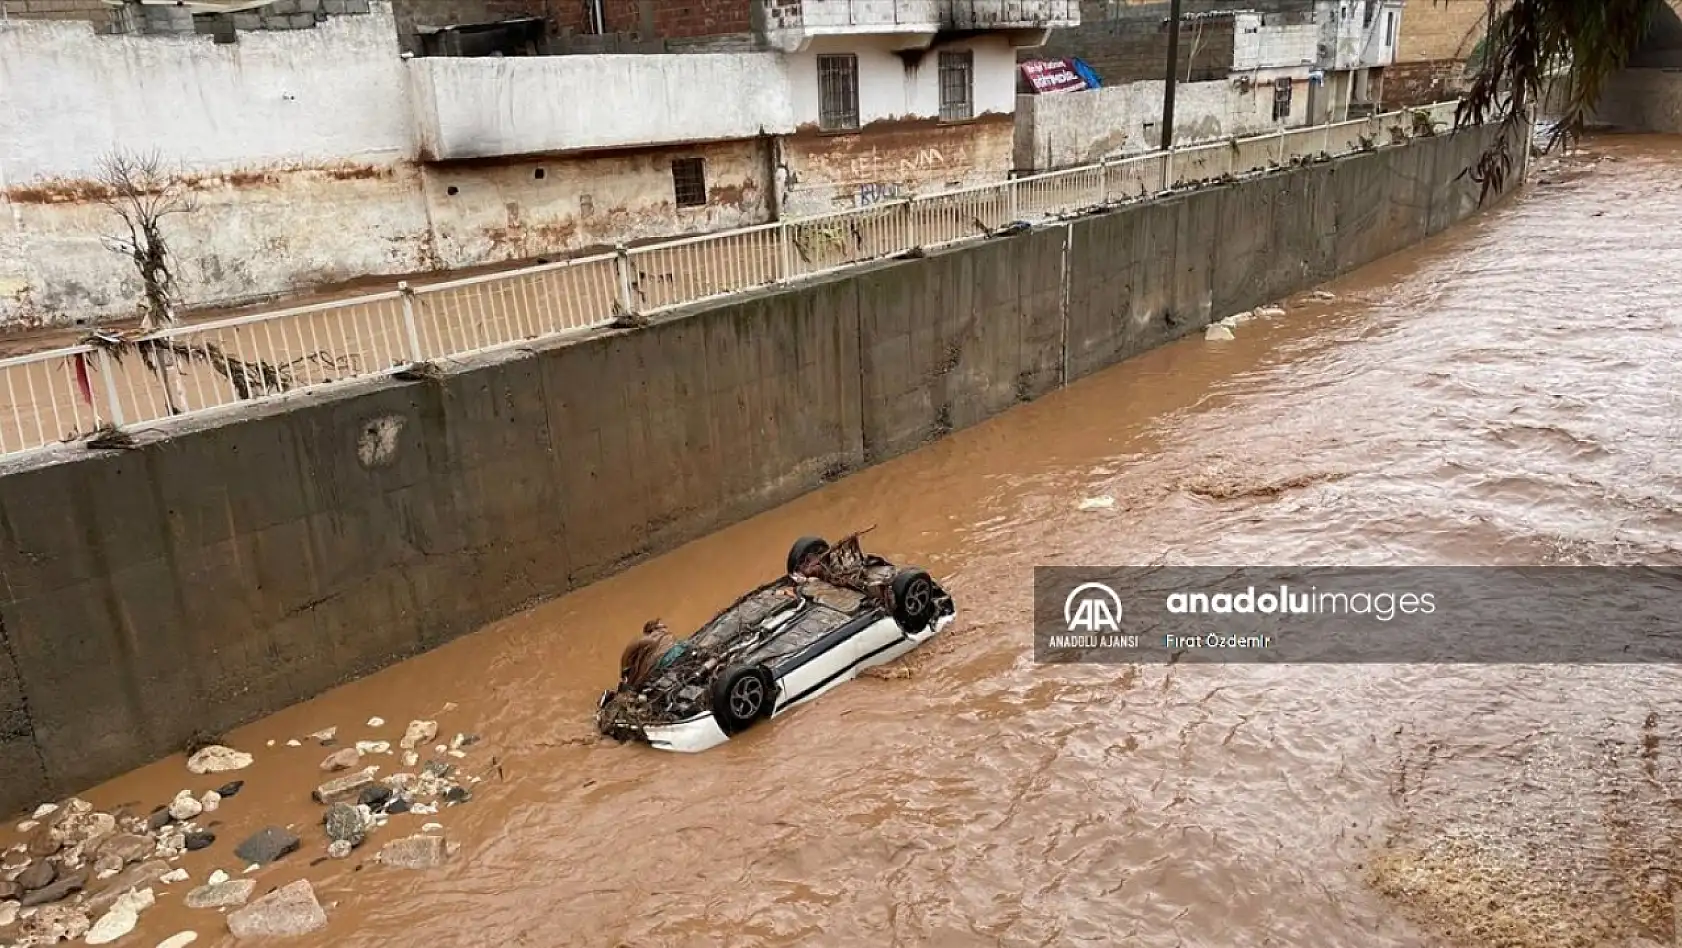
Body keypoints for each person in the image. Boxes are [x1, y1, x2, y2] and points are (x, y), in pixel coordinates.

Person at [617, 619, 686, 690]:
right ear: (653, 628)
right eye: (662, 626)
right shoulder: (654, 636)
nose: (665, 628)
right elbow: (631, 648)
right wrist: (625, 670)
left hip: (666, 664)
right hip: (665, 663)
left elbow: (629, 650)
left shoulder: (665, 637)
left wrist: (624, 669)